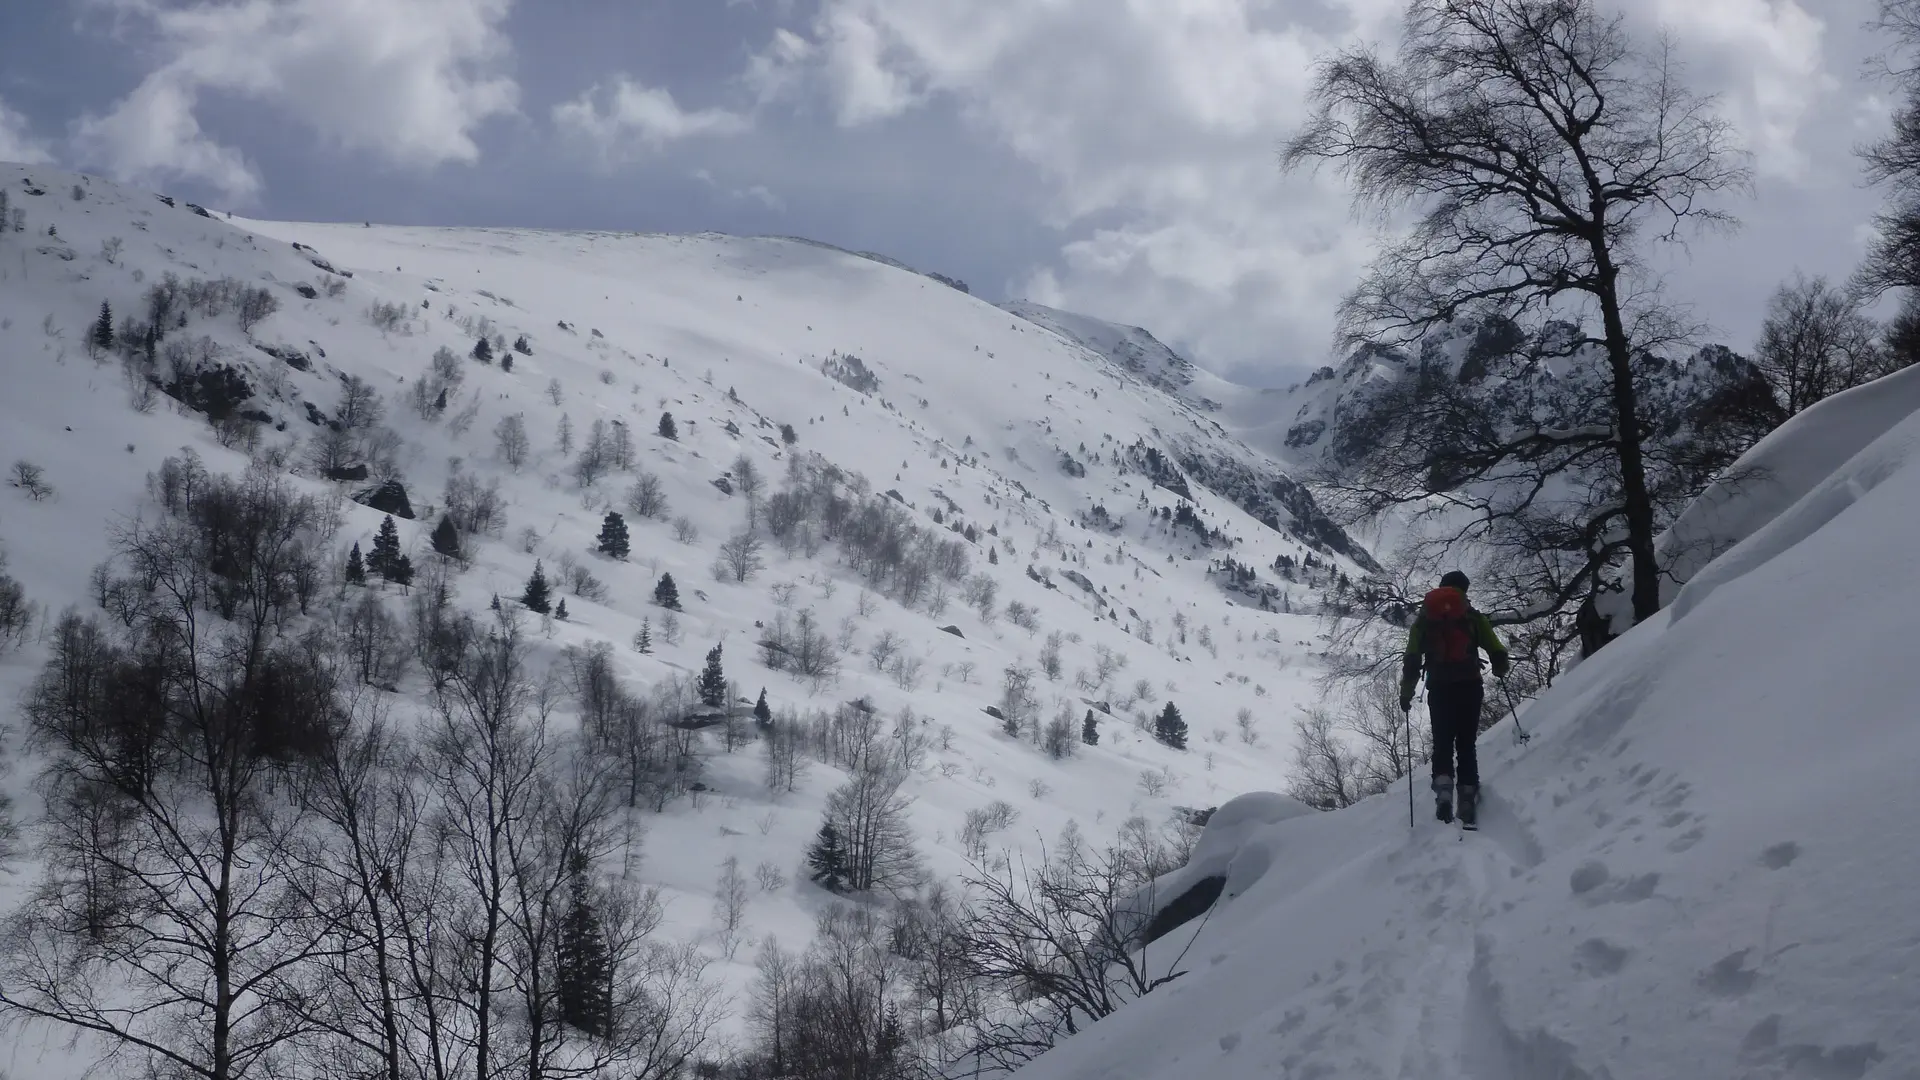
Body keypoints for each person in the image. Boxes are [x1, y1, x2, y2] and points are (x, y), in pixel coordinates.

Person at [1400, 571, 1508, 826]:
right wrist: (1499, 668)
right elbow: (1496, 648)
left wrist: (1406, 693)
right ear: (1464, 589)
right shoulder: (1471, 616)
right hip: (1470, 684)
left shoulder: (1425, 620)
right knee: (1466, 744)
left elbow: (1412, 659)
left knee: (1442, 743)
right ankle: (1467, 797)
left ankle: (1444, 794)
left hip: (1439, 687)